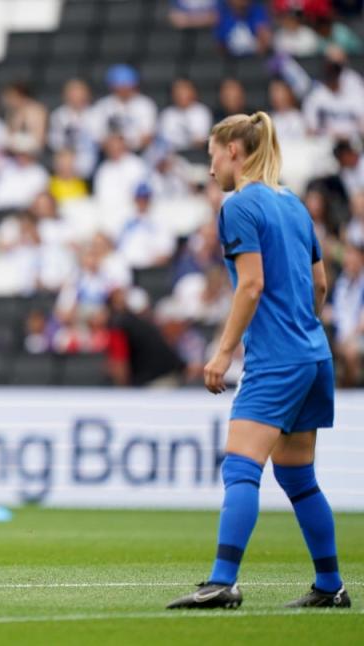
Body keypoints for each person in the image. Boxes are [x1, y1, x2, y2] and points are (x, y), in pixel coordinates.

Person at [167, 113, 350, 609]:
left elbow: (251, 284)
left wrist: (222, 353)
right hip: (315, 356)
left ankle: (223, 581)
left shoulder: (239, 206)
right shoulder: (292, 203)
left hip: (278, 362)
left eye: (210, 155)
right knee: (296, 477)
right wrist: (302, 331)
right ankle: (330, 587)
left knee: (242, 468)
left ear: (232, 151)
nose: (208, 169)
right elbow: (320, 285)